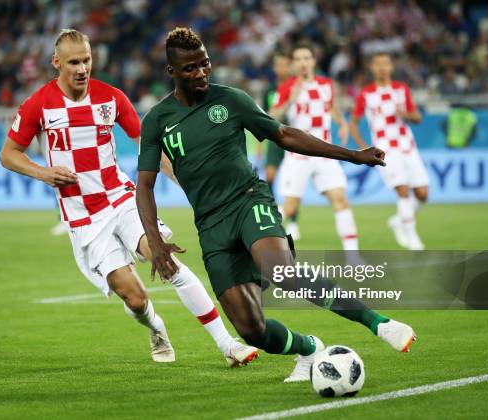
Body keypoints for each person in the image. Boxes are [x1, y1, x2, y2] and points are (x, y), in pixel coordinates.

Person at [136, 27, 416, 383]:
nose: (201, 73)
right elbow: (144, 185)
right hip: (210, 225)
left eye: (205, 64)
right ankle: (308, 348)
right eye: (190, 68)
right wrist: (155, 242)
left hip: (248, 200)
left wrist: (352, 156)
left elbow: (283, 134)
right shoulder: (158, 120)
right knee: (251, 330)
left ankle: (380, 323)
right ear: (171, 72)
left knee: (282, 270)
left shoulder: (231, 100)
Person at [0, 29, 258, 367]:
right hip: (84, 217)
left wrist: (188, 183)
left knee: (167, 261)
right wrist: (42, 172)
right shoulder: (39, 104)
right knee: (134, 298)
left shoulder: (111, 98)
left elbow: (146, 145)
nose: (81, 68)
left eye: (86, 61)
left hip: (122, 199)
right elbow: (9, 154)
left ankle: (228, 345)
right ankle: (156, 327)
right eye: (73, 62)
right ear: (56, 63)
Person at [270, 44, 360, 259]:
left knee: (340, 199)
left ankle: (353, 257)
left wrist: (342, 123)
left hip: (325, 154)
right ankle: (259, 244)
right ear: (293, 64)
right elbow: (272, 116)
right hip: (298, 155)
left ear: (313, 62)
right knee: (289, 209)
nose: (303, 62)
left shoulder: (326, 84)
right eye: (298, 58)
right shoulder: (286, 88)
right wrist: (291, 98)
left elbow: (331, 107)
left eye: (307, 57)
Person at [350, 52, 429, 250]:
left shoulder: (401, 89)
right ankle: (412, 239)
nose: (382, 68)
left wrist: (406, 113)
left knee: (422, 194)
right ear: (372, 68)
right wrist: (363, 147)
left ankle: (398, 221)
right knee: (402, 189)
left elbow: (418, 118)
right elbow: (353, 123)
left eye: (386, 64)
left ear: (391, 67)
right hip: (386, 151)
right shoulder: (366, 94)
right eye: (378, 64)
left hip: (408, 147)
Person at [263, 52, 292, 193]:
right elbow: (262, 118)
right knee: (269, 174)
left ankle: (292, 214)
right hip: (275, 138)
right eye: (278, 65)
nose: (281, 68)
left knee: (293, 178)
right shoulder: (269, 90)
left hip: (294, 137)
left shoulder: (296, 87)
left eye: (284, 65)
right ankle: (272, 208)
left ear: (290, 66)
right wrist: (260, 147)